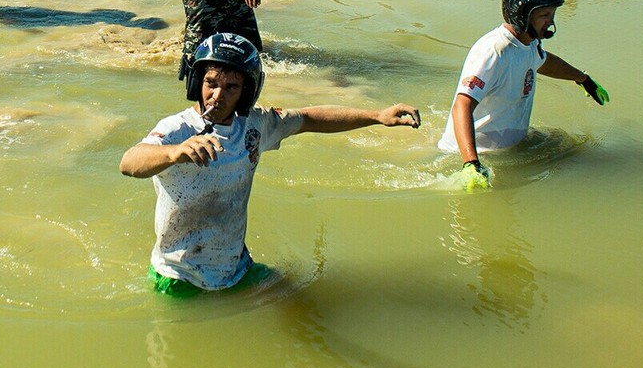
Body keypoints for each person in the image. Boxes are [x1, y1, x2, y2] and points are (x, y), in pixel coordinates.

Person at [121, 32, 421, 295]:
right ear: (196, 81)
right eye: (210, 83)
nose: (217, 95)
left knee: (296, 301)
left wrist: (376, 116)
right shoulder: (177, 129)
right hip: (178, 276)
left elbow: (310, 118)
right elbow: (130, 161)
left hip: (236, 267)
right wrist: (175, 153)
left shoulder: (254, 126)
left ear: (246, 92)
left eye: (231, 87)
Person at [440, 0, 609, 190]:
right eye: (544, 15)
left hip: (507, 153)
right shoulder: (493, 51)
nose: (551, 21)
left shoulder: (529, 44)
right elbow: (461, 105)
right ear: (522, 15)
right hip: (478, 158)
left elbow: (544, 61)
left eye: (553, 14)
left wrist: (583, 79)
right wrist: (470, 164)